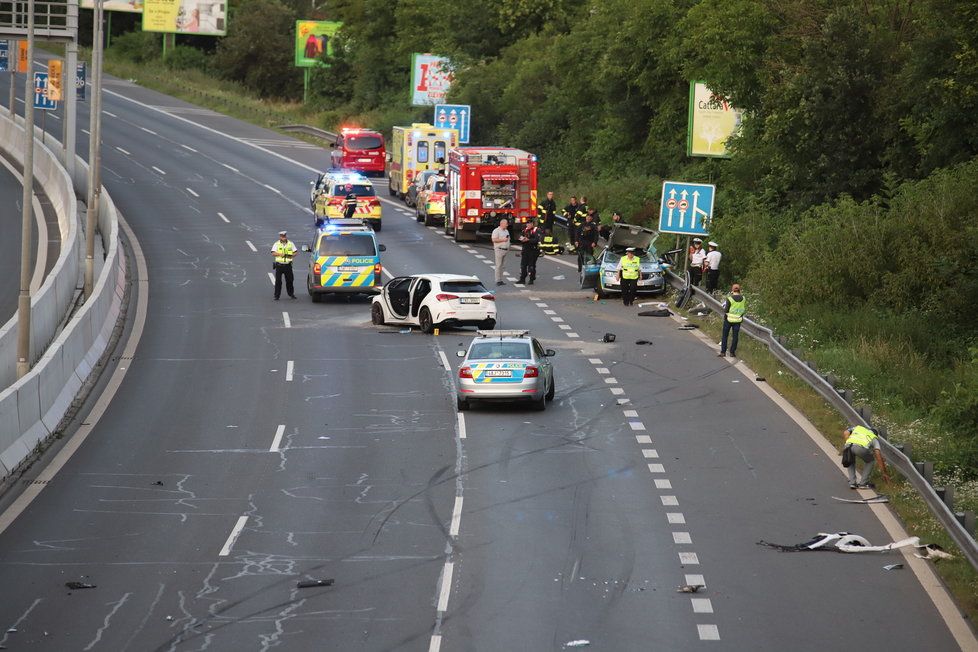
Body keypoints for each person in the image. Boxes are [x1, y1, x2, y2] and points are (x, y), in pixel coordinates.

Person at [842, 425, 890, 489]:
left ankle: (852, 483)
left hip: (848, 445)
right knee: (871, 461)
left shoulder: (858, 428)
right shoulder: (874, 438)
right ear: (876, 434)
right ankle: (863, 483)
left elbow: (846, 432)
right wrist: (884, 473)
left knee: (850, 460)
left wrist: (848, 443)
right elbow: (878, 456)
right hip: (859, 448)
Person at [718, 283, 745, 357]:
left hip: (728, 319)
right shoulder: (743, 298)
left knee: (725, 336)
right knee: (735, 336)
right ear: (740, 290)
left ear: (732, 290)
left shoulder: (730, 298)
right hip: (738, 320)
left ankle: (723, 352)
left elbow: (726, 310)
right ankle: (732, 352)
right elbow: (743, 309)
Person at [271, 231, 297, 300]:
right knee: (278, 281)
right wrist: (280, 254)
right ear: (280, 237)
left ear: (286, 236)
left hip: (288, 265)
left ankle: (291, 294)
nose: (283, 238)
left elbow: (295, 252)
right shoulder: (276, 244)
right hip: (279, 265)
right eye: (282, 237)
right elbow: (273, 253)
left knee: (290, 280)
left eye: (284, 236)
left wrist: (291, 255)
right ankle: (276, 296)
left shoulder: (291, 244)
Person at [491, 218, 511, 286]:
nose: (507, 225)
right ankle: (497, 280)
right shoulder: (496, 231)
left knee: (503, 266)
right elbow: (494, 240)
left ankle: (501, 279)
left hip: (505, 250)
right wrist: (503, 240)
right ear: (502, 224)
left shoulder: (506, 231)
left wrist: (508, 247)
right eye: (506, 224)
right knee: (498, 265)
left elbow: (508, 239)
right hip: (499, 249)